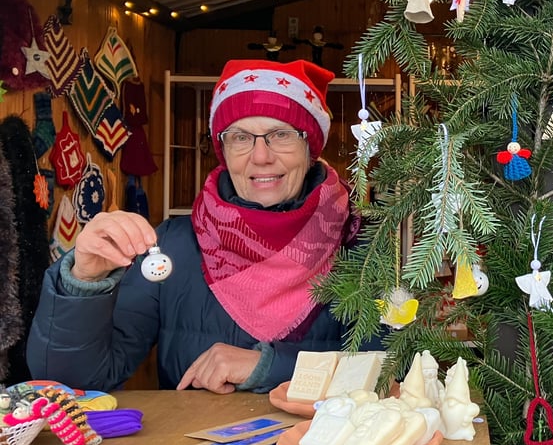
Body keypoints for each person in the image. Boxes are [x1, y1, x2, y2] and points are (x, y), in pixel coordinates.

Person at [28, 59, 363, 394]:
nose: (261, 156)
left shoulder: (363, 242)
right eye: (240, 137)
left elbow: (394, 369)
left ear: (311, 146)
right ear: (223, 149)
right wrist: (83, 283)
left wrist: (270, 366)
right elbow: (73, 384)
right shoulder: (172, 245)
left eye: (281, 134)